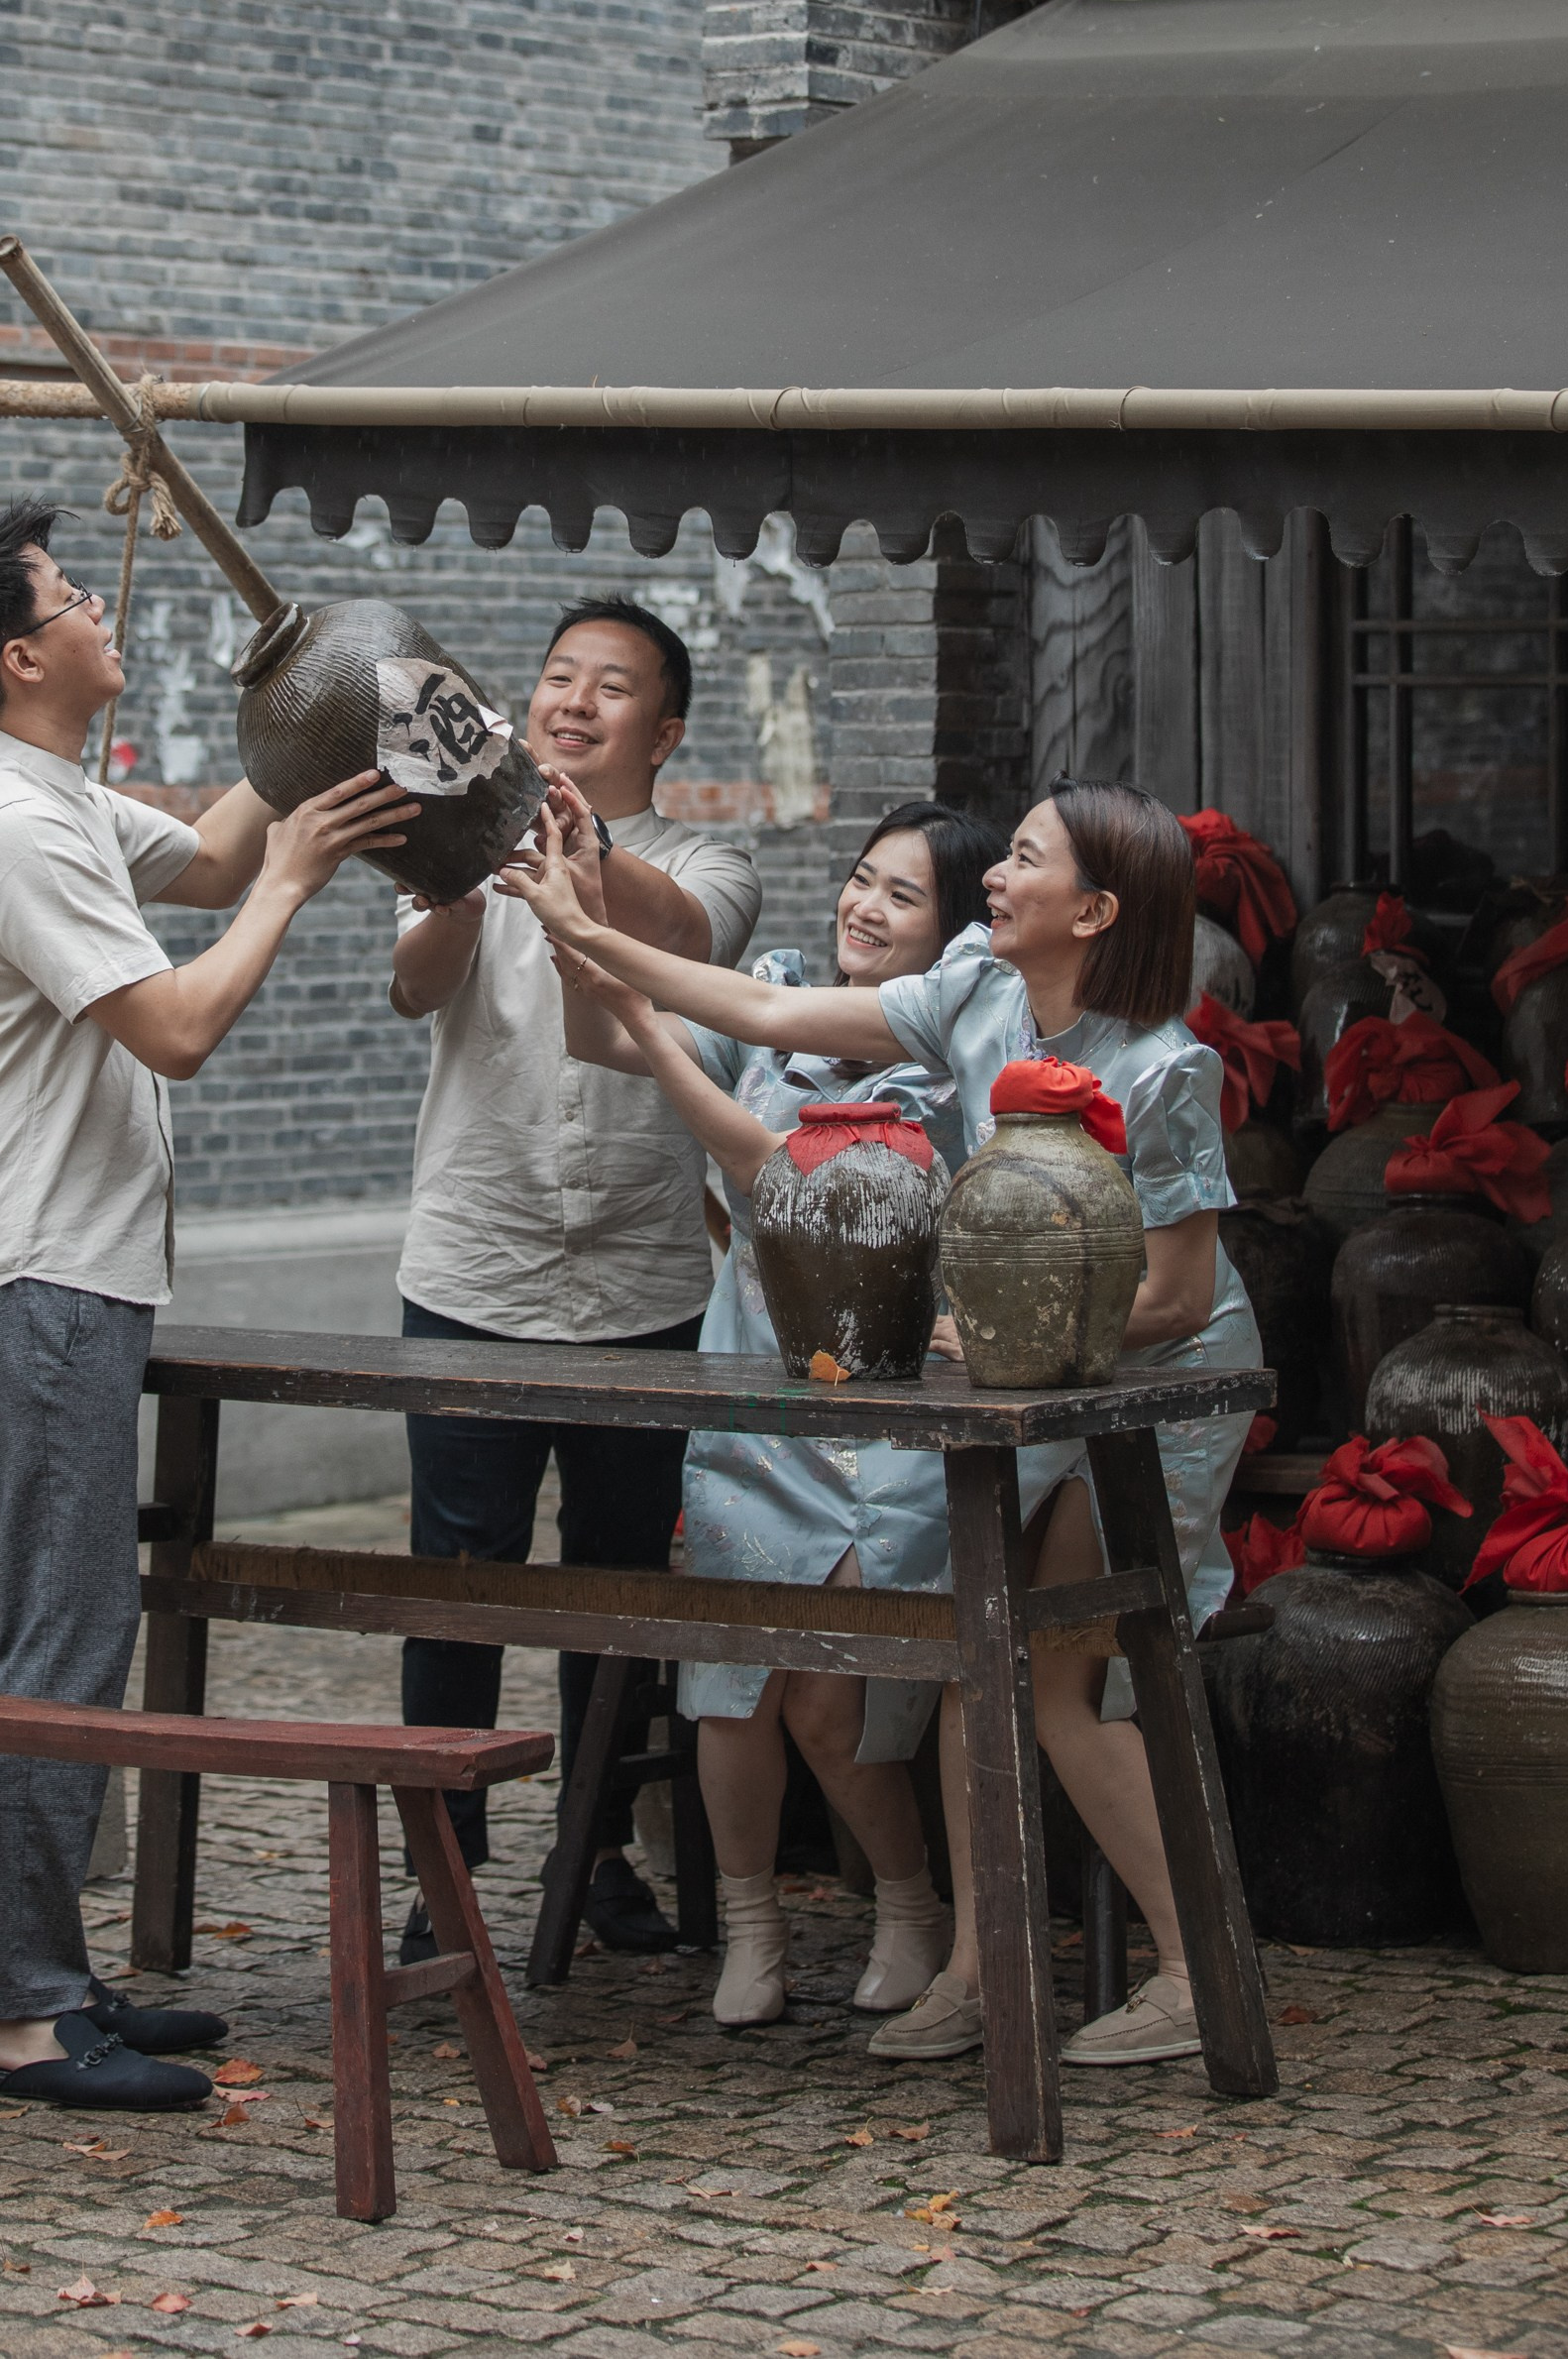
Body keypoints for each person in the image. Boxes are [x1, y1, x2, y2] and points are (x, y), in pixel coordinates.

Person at [502, 778, 1262, 2069]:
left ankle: (1198, 1972)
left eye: (1021, 861)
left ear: (1092, 911)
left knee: (1066, 1689)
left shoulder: (1162, 1067)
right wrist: (577, 922)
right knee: (989, 1662)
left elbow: (1180, 1294)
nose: (996, 880)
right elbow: (754, 1005)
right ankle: (981, 1965)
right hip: (1041, 1371)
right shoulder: (972, 1000)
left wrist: (1017, 1335)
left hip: (1161, 1387)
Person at [0, 497, 409, 2111]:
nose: (109, 617)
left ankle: (8, 1977)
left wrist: (311, 707)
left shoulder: (39, 786)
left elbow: (213, 851)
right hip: (41, 1271)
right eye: (74, 601)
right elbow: (175, 1023)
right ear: (27, 654)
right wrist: (302, 885)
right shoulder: (14, 826)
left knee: (2, 1631)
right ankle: (16, 2023)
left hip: (33, 1268)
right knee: (59, 1630)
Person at [553, 801, 1001, 2029]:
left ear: (957, 932)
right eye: (861, 880)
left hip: (880, 1418)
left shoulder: (952, 1068)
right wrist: (571, 922)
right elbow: (601, 1036)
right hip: (752, 1388)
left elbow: (778, 1178)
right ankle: (748, 1930)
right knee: (728, 1684)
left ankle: (909, 1904)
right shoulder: (772, 1011)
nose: (863, 906)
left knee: (824, 1691)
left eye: (901, 897)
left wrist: (638, 998)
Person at [389, 596, 762, 1960]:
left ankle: (598, 1850)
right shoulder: (465, 836)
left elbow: (691, 939)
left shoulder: (709, 861)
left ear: (662, 731)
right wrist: (453, 882)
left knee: (617, 1579)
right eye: (556, 678)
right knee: (460, 1573)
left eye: (611, 687)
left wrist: (573, 848)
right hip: (473, 1267)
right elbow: (417, 986)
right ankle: (441, 1867)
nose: (575, 700)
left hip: (644, 1282)